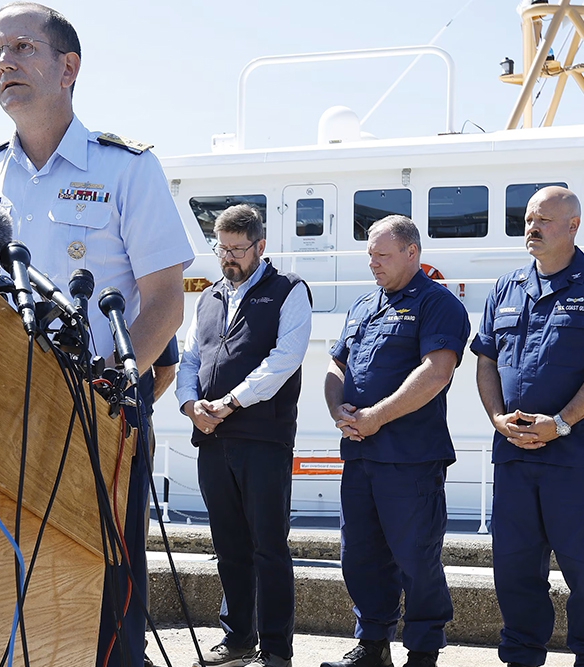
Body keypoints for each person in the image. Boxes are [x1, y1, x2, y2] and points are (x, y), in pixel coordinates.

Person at [0, 4, 195, 665]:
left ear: (68, 67)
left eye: (22, 48)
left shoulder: (125, 169)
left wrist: (109, 383)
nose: (5, 63)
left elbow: (165, 302)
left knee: (105, 590)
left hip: (98, 416)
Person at [319, 216, 469, 667]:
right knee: (359, 555)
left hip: (410, 459)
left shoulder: (437, 304)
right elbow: (336, 366)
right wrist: (335, 408)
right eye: (369, 254)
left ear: (411, 253)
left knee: (416, 556)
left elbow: (436, 373)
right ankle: (372, 646)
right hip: (361, 454)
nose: (373, 263)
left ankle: (423, 650)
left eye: (382, 255)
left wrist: (375, 417)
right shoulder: (364, 305)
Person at [175, 205, 311, 667]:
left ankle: (275, 649)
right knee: (228, 546)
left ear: (260, 246)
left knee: (269, 547)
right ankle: (237, 641)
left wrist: (230, 402)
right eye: (222, 248)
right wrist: (190, 405)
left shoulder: (288, 290)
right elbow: (190, 357)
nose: (228, 257)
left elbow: (285, 358)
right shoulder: (209, 297)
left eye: (237, 249)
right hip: (212, 440)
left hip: (262, 440)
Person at [470, 185, 584, 667]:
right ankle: (520, 656)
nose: (532, 228)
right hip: (514, 454)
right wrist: (496, 417)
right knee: (514, 568)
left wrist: (561, 422)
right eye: (528, 220)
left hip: (573, 457)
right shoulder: (507, 286)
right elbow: (486, 360)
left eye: (544, 220)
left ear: (573, 225)